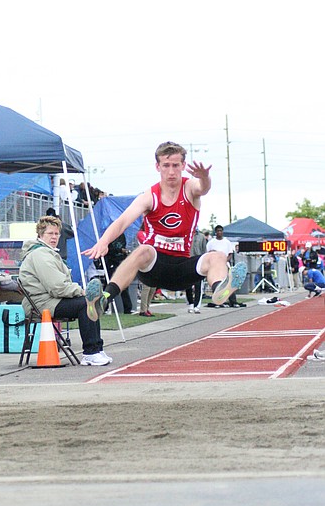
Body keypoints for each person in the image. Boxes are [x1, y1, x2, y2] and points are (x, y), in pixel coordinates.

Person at [82, 141, 247, 320]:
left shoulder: (189, 187)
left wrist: (205, 177)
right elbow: (122, 222)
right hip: (155, 267)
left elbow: (203, 188)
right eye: (166, 165)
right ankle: (104, 299)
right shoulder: (149, 196)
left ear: (183, 166)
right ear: (157, 166)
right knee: (144, 249)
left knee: (218, 256)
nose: (171, 171)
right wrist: (103, 242)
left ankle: (219, 290)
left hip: (183, 268)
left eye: (176, 165)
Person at [19, 215, 112, 366]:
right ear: (40, 234)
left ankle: (97, 349)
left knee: (91, 302)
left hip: (49, 300)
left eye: (57, 233)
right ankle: (91, 352)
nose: (54, 237)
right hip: (42, 304)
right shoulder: (40, 254)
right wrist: (81, 291)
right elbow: (57, 287)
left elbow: (58, 287)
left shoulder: (48, 252)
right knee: (86, 303)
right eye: (50, 233)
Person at [205, 224, 244, 307]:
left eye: (221, 231)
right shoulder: (211, 243)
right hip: (215, 267)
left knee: (229, 283)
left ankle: (233, 301)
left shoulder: (227, 242)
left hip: (225, 265)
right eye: (218, 231)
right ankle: (219, 300)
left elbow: (230, 254)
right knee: (217, 283)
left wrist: (224, 261)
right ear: (215, 232)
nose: (219, 232)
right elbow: (207, 254)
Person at [185, 227, 207, 313]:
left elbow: (204, 251)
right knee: (188, 284)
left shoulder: (201, 237)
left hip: (198, 262)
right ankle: (190, 303)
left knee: (198, 284)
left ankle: (197, 305)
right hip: (188, 261)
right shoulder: (187, 235)